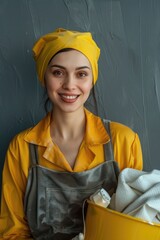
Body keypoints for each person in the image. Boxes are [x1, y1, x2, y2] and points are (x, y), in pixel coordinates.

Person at [0, 28, 143, 239]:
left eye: (81, 74)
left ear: (92, 79)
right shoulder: (21, 147)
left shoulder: (124, 141)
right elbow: (12, 232)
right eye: (58, 72)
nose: (69, 84)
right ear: (43, 77)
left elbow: (136, 224)